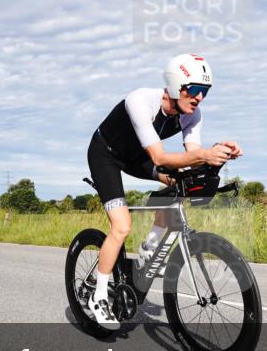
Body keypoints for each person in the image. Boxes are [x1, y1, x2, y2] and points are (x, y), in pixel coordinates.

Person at [85, 53, 242, 329]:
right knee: (121, 227)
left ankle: (150, 247)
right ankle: (98, 297)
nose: (199, 98)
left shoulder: (192, 115)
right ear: (174, 85)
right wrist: (205, 155)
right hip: (106, 155)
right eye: (194, 89)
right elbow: (159, 158)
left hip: (138, 156)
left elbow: (192, 156)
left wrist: (220, 153)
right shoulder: (139, 101)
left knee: (182, 179)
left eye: (205, 91)